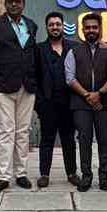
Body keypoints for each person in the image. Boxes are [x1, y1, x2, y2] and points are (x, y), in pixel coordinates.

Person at [0, 0, 39, 192]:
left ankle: (21, 173)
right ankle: (4, 176)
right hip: (2, 87)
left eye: (18, 1)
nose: (14, 4)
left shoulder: (31, 24)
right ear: (5, 4)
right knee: (5, 132)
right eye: (10, 1)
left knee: (23, 132)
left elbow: (30, 54)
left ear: (23, 4)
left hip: (27, 86)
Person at [65, 12, 107, 191]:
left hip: (104, 103)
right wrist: (88, 95)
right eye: (87, 27)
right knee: (84, 140)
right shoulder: (74, 52)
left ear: (100, 29)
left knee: (104, 140)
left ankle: (104, 177)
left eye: (94, 27)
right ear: (82, 29)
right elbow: (70, 78)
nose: (91, 30)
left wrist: (99, 93)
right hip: (81, 103)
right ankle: (86, 177)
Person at [35, 11, 79, 188]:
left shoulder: (74, 47)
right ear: (47, 27)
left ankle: (72, 173)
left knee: (69, 140)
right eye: (51, 24)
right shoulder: (39, 49)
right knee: (47, 139)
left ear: (63, 26)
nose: (55, 27)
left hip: (69, 103)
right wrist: (39, 103)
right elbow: (34, 76)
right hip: (47, 103)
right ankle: (44, 174)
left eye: (58, 24)